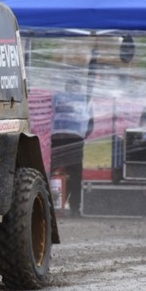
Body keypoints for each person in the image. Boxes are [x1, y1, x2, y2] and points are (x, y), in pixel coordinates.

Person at [50, 55, 95, 218]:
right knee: (67, 173)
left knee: (69, 174)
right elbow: (91, 122)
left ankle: (72, 206)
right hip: (65, 138)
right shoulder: (60, 98)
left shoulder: (82, 99)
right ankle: (67, 206)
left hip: (64, 138)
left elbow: (90, 121)